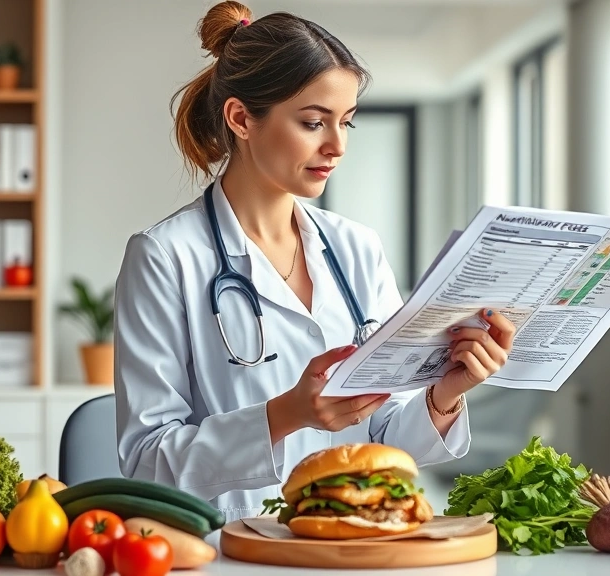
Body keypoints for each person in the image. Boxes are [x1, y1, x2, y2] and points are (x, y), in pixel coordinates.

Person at [112, 1, 515, 523]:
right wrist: (285, 416)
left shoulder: (356, 248)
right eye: (312, 122)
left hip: (354, 534)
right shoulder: (166, 257)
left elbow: (389, 435)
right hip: (230, 547)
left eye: (346, 122)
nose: (337, 145)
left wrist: (443, 396)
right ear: (241, 119)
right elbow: (146, 464)